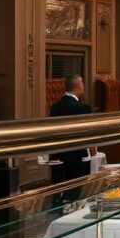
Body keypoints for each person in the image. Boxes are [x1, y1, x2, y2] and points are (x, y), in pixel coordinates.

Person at [49, 75, 92, 203]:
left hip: (58, 154)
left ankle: (58, 206)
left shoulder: (55, 107)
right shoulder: (83, 108)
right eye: (82, 84)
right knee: (78, 190)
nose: (84, 87)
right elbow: (88, 132)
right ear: (78, 86)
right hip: (78, 154)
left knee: (58, 189)